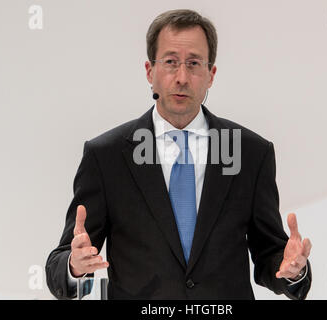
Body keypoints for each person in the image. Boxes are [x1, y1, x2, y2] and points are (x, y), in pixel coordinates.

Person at [46, 9, 312, 300]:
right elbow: (59, 263)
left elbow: (270, 254)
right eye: (171, 62)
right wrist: (74, 267)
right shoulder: (106, 157)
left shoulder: (250, 153)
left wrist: (293, 270)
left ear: (211, 75)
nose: (182, 77)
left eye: (194, 63)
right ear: (150, 71)